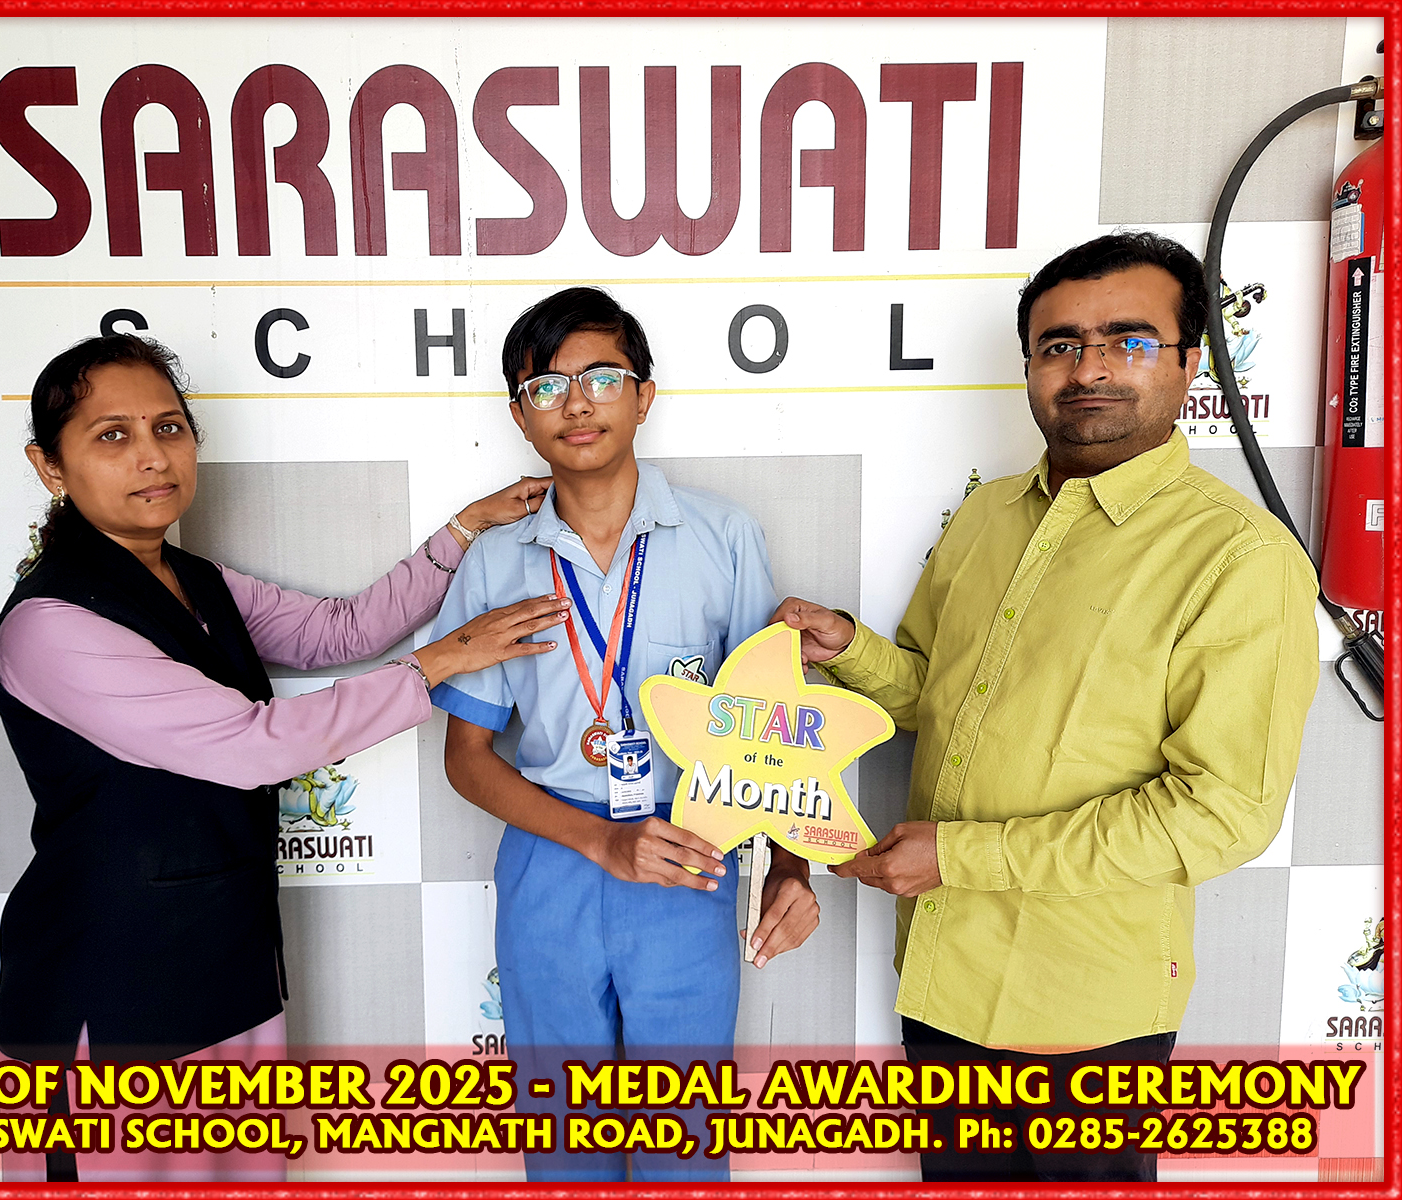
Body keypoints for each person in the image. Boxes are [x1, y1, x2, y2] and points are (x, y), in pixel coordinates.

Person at [775, 232, 1319, 1182]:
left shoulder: (1240, 557)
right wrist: (850, 650)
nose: (1091, 367)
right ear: (1031, 365)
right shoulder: (987, 515)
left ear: (1190, 362)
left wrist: (959, 857)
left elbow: (1222, 812)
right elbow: (936, 694)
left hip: (1084, 1013)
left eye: (1129, 340)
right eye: (1060, 344)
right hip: (943, 980)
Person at [0, 333, 569, 1182]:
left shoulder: (194, 580)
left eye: (169, 428)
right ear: (50, 467)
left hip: (230, 967)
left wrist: (465, 529)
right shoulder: (49, 626)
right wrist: (443, 661)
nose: (153, 456)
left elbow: (340, 632)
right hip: (111, 994)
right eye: (113, 435)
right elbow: (252, 744)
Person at [431, 287, 821, 1183]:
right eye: (547, 387)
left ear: (644, 396)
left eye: (602, 378)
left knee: (682, 1140)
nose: (576, 404)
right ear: (520, 414)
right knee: (562, 1137)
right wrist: (599, 841)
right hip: (552, 855)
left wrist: (792, 863)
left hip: (690, 849)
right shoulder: (496, 560)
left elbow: (772, 729)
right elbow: (466, 760)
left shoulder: (723, 536)